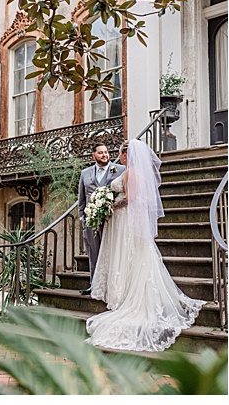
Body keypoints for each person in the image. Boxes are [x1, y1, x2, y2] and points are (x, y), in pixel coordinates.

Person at [86, 140, 205, 352]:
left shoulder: (131, 173)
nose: (120, 158)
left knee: (128, 255)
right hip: (122, 221)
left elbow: (130, 198)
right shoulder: (132, 172)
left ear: (125, 156)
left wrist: (109, 204)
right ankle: (121, 289)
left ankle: (124, 292)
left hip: (124, 219)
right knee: (128, 256)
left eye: (122, 154)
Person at [77, 142, 126, 295]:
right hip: (91, 220)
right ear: (94, 155)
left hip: (112, 219)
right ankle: (94, 286)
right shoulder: (85, 173)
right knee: (93, 252)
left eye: (106, 152)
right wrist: (83, 218)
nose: (104, 155)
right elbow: (81, 198)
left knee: (111, 252)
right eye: (100, 153)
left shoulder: (120, 170)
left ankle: (111, 287)